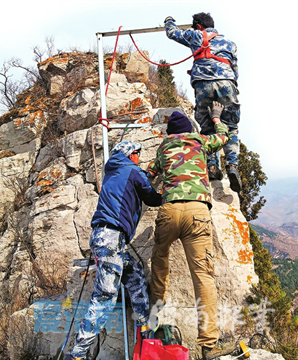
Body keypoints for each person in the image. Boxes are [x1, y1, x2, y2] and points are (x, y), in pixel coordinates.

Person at [147, 104, 237, 360]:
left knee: (159, 263)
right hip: (197, 211)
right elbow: (224, 136)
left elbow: (151, 171)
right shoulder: (199, 140)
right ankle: (209, 345)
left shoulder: (163, 147)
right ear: (188, 130)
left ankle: (153, 319)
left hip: (169, 209)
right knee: (203, 277)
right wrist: (216, 117)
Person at [65, 141, 162, 360]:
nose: (139, 157)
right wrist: (169, 192)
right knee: (105, 295)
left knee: (135, 276)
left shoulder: (115, 170)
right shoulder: (131, 170)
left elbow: (133, 181)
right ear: (131, 155)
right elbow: (151, 197)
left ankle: (144, 330)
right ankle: (78, 354)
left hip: (107, 238)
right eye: (138, 153)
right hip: (110, 237)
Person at [164, 12, 242, 193]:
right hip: (227, 83)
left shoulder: (195, 36)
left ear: (198, 26)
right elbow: (235, 71)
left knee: (207, 127)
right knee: (231, 127)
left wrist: (169, 20)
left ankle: (213, 168)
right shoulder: (230, 43)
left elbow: (172, 33)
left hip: (203, 85)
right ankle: (232, 166)